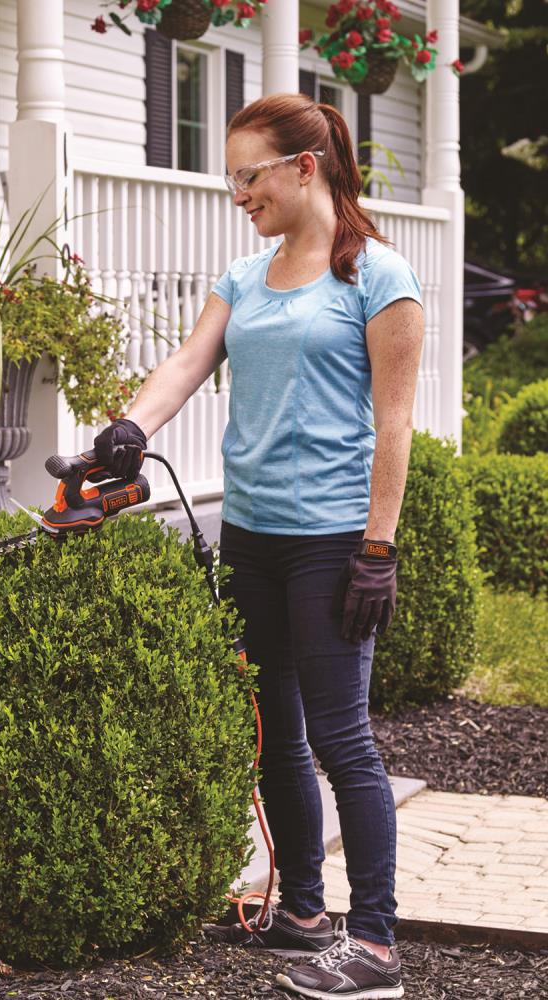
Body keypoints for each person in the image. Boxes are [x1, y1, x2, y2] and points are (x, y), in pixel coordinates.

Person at [93, 92, 423, 1000]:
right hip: (252, 535)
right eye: (230, 178)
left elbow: (394, 424)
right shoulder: (243, 278)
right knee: (275, 730)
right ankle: (303, 915)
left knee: (344, 737)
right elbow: (187, 364)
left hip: (332, 542)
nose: (238, 192)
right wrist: (127, 426)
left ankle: (378, 945)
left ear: (303, 168)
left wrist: (378, 548)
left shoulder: (378, 279)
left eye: (248, 175)